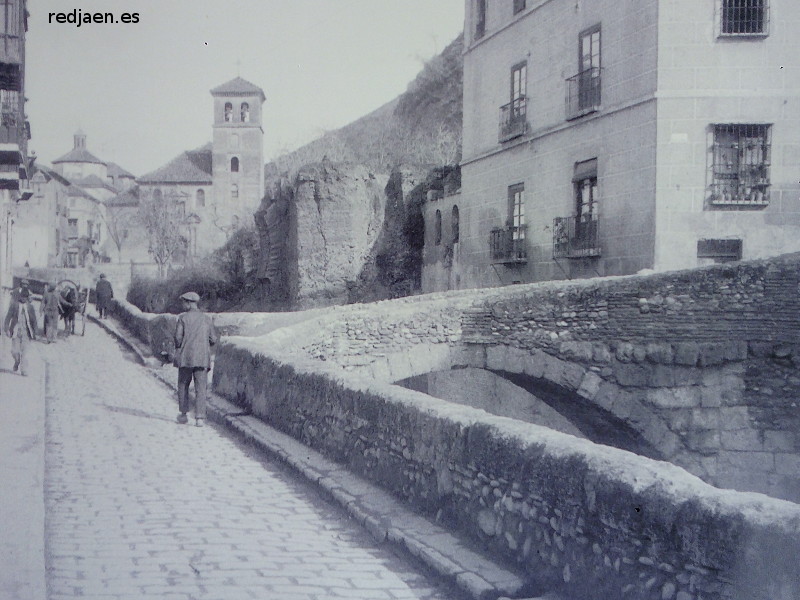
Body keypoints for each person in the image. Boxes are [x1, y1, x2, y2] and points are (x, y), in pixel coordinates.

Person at [173, 291, 217, 427]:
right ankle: (200, 418)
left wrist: (180, 347)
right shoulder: (206, 319)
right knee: (201, 388)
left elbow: (178, 338)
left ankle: (183, 415)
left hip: (186, 358)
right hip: (202, 358)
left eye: (183, 302)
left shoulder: (183, 318)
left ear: (188, 303)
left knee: (183, 385)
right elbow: (213, 339)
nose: (182, 305)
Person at [4, 287, 37, 375]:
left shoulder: (30, 307)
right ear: (20, 296)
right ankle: (17, 361)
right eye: (22, 296)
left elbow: (34, 320)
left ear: (27, 298)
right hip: (16, 331)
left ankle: (24, 370)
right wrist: (7, 329)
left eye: (25, 297)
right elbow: (8, 317)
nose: (23, 298)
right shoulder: (14, 305)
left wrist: (35, 332)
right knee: (15, 351)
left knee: (25, 352)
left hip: (26, 332)